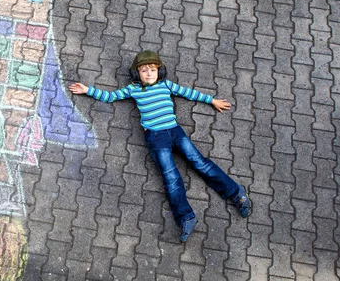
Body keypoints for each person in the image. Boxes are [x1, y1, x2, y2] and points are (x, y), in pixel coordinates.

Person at [69, 50, 251, 242]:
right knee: (171, 178)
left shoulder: (166, 85)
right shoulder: (133, 89)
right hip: (156, 138)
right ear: (136, 74)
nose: (149, 73)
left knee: (199, 162)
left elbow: (188, 93)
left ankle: (236, 192)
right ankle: (186, 217)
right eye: (144, 70)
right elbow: (110, 96)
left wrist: (211, 100)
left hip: (175, 131)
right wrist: (88, 90)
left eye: (153, 70)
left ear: (159, 72)